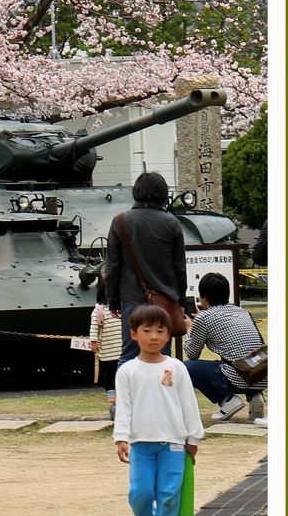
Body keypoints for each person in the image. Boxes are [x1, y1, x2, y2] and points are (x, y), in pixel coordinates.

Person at [114, 305, 204, 516]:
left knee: (168, 493)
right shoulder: (127, 371)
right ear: (134, 334)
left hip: (174, 442)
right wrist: (121, 437)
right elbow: (124, 407)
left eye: (160, 331)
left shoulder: (177, 367)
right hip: (141, 444)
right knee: (139, 493)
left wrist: (193, 437)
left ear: (168, 335)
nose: (154, 336)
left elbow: (189, 403)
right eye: (147, 330)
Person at [105, 171, 187, 365]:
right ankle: (160, 394)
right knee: (161, 355)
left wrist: (112, 300)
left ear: (136, 192)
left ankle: (127, 396)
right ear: (163, 194)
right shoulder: (172, 223)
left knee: (128, 355)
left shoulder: (120, 221)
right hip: (164, 300)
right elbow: (179, 268)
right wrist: (181, 300)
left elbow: (113, 266)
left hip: (131, 298)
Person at [183, 272, 266, 422]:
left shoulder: (204, 317)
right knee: (244, 355)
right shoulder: (243, 312)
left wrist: (189, 328)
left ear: (203, 298)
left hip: (236, 378)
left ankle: (226, 401)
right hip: (262, 374)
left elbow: (191, 353)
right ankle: (255, 396)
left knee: (186, 367)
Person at [89, 265, 122, 420]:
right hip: (108, 351)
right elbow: (94, 327)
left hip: (121, 350)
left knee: (122, 375)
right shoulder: (99, 311)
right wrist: (94, 342)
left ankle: (121, 397)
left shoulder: (121, 310)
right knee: (109, 377)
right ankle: (112, 398)